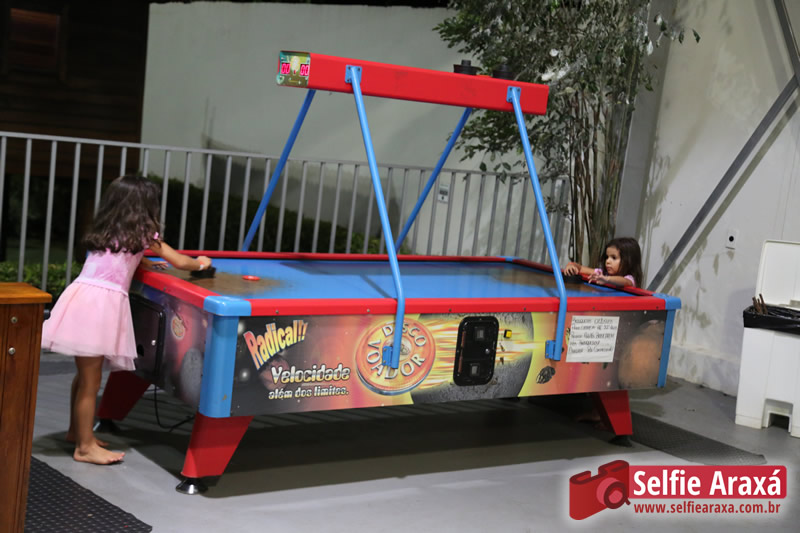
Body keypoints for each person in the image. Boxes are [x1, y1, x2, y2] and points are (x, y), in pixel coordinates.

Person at [41, 175, 212, 465]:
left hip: (82, 297)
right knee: (91, 381)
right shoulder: (145, 233)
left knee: (84, 376)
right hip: (101, 306)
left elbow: (116, 255)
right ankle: (84, 448)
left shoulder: (106, 229)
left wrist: (142, 260)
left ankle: (76, 432)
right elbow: (181, 262)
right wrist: (201, 262)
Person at [563, 237, 643, 288]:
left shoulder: (630, 279)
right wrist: (572, 266)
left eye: (614, 258)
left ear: (628, 261)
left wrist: (607, 279)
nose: (608, 261)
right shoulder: (603, 274)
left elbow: (625, 282)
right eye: (607, 257)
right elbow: (581, 268)